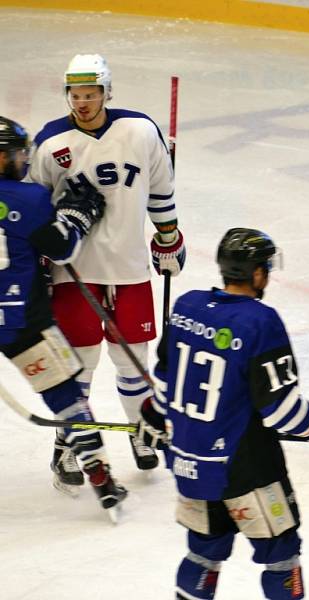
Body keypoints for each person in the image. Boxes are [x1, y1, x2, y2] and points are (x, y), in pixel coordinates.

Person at [136, 227, 309, 600]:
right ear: (256, 273)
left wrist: (152, 416)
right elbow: (283, 412)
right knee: (281, 557)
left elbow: (167, 385)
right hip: (246, 470)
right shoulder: (260, 322)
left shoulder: (187, 306)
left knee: (202, 554)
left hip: (191, 465)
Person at [27, 53, 187, 477]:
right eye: (75, 95)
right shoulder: (50, 143)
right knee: (79, 364)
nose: (82, 102)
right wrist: (40, 255)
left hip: (131, 268)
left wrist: (168, 239)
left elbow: (160, 187)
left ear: (106, 92)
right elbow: (31, 206)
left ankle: (141, 428)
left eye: (90, 94)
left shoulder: (140, 130)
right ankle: (69, 441)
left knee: (132, 360)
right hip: (74, 273)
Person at [0, 115, 128, 512]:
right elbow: (61, 248)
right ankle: (100, 476)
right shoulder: (31, 199)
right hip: (21, 322)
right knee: (67, 395)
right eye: (17, 154)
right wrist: (77, 216)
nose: (24, 159)